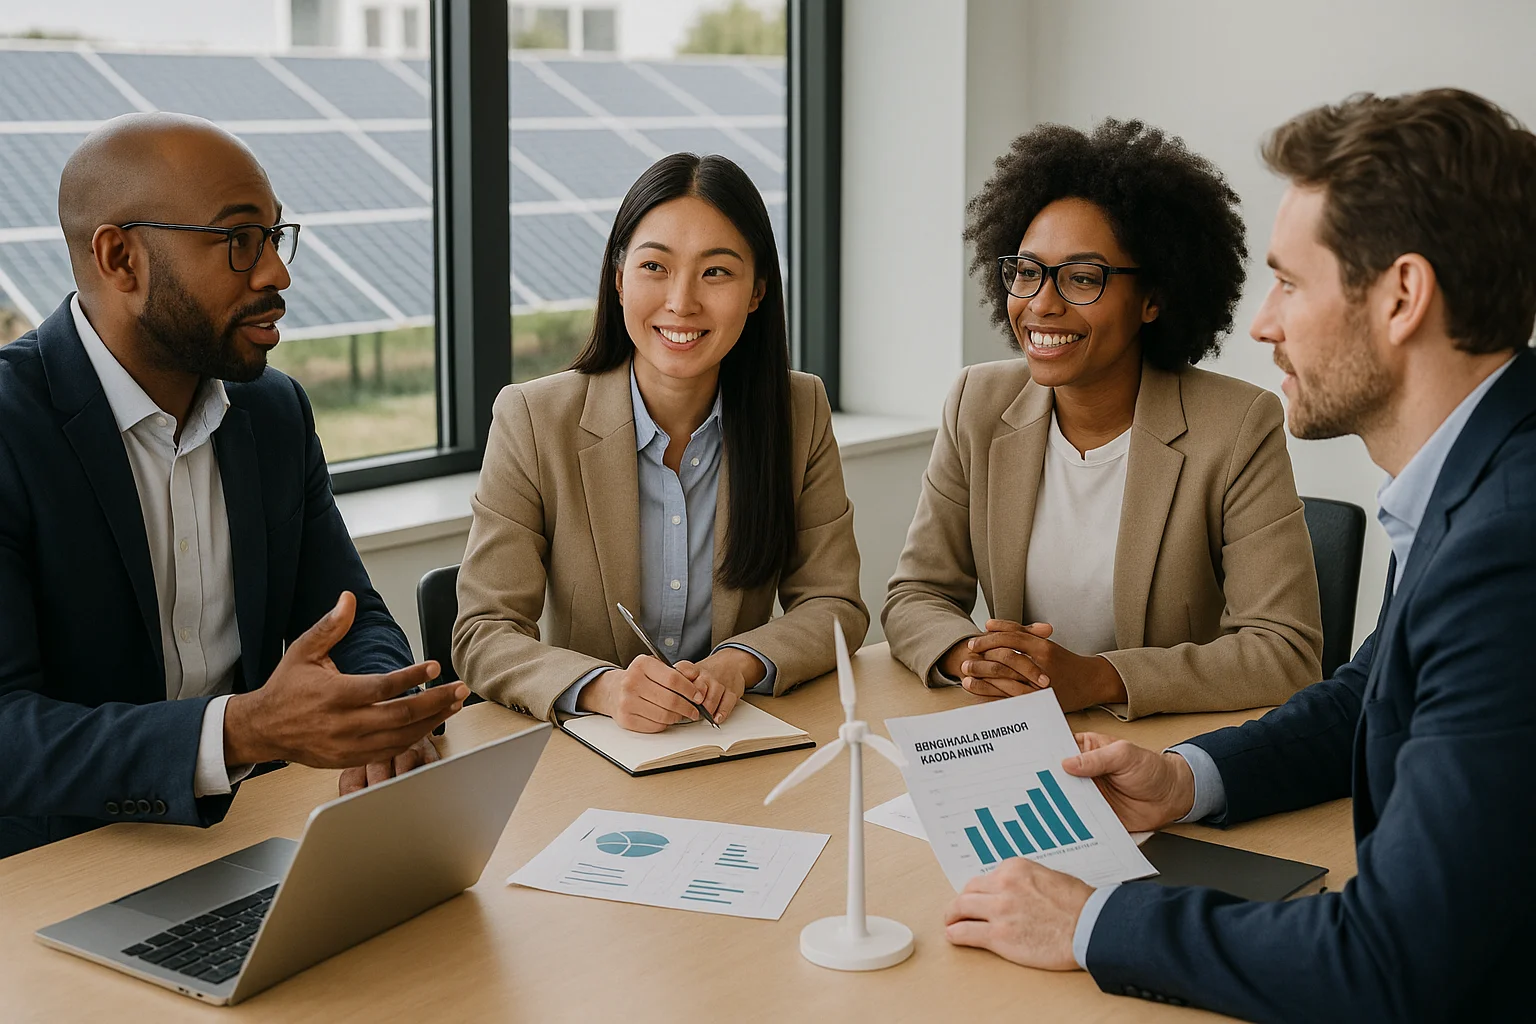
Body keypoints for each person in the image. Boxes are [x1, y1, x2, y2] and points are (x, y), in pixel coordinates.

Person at [940, 88, 1536, 1021]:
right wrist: (1187, 778)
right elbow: (1367, 695)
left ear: (1403, 297)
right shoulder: (1488, 474)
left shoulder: (1510, 546)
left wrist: (1098, 922)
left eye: (1291, 284)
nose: (1263, 324)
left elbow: (1391, 962)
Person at [0, 113, 468, 859]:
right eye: (238, 240)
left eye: (276, 238)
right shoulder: (10, 427)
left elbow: (351, 619)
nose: (277, 273)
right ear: (122, 259)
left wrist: (382, 716)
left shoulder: (272, 412)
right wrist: (241, 730)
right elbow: (9, 735)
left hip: (256, 837)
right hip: (61, 868)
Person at [883, 120, 1322, 719]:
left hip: (1163, 753)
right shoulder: (977, 404)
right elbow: (917, 594)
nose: (1041, 303)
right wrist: (970, 654)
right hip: (1020, 736)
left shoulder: (1238, 425)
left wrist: (1096, 678)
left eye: (1083, 278)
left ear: (1153, 299)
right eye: (1027, 271)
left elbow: (1284, 652)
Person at [454, 153, 866, 732]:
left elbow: (835, 606)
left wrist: (739, 664)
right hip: (593, 754)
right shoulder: (532, 418)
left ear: (757, 291)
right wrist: (601, 688)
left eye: (716, 272)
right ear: (619, 279)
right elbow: (483, 633)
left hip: (736, 744)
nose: (681, 301)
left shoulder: (800, 411)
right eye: (655, 267)